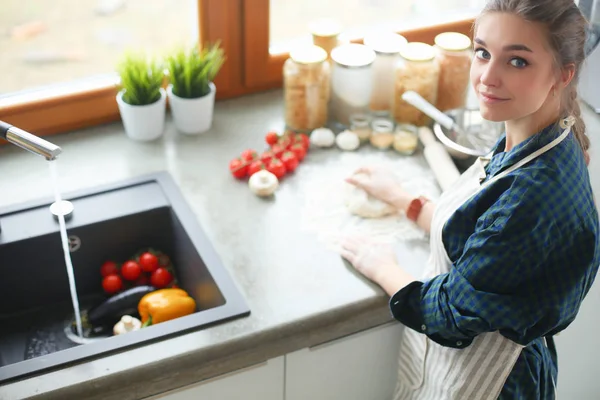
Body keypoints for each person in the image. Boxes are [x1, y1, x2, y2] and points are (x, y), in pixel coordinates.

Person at [340, 0, 600, 399]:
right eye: (482, 52)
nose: (486, 78)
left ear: (562, 74)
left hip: (492, 383)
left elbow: (448, 314)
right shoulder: (540, 136)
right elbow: (483, 237)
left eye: (517, 62)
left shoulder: (532, 196)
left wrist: (383, 268)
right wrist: (404, 199)